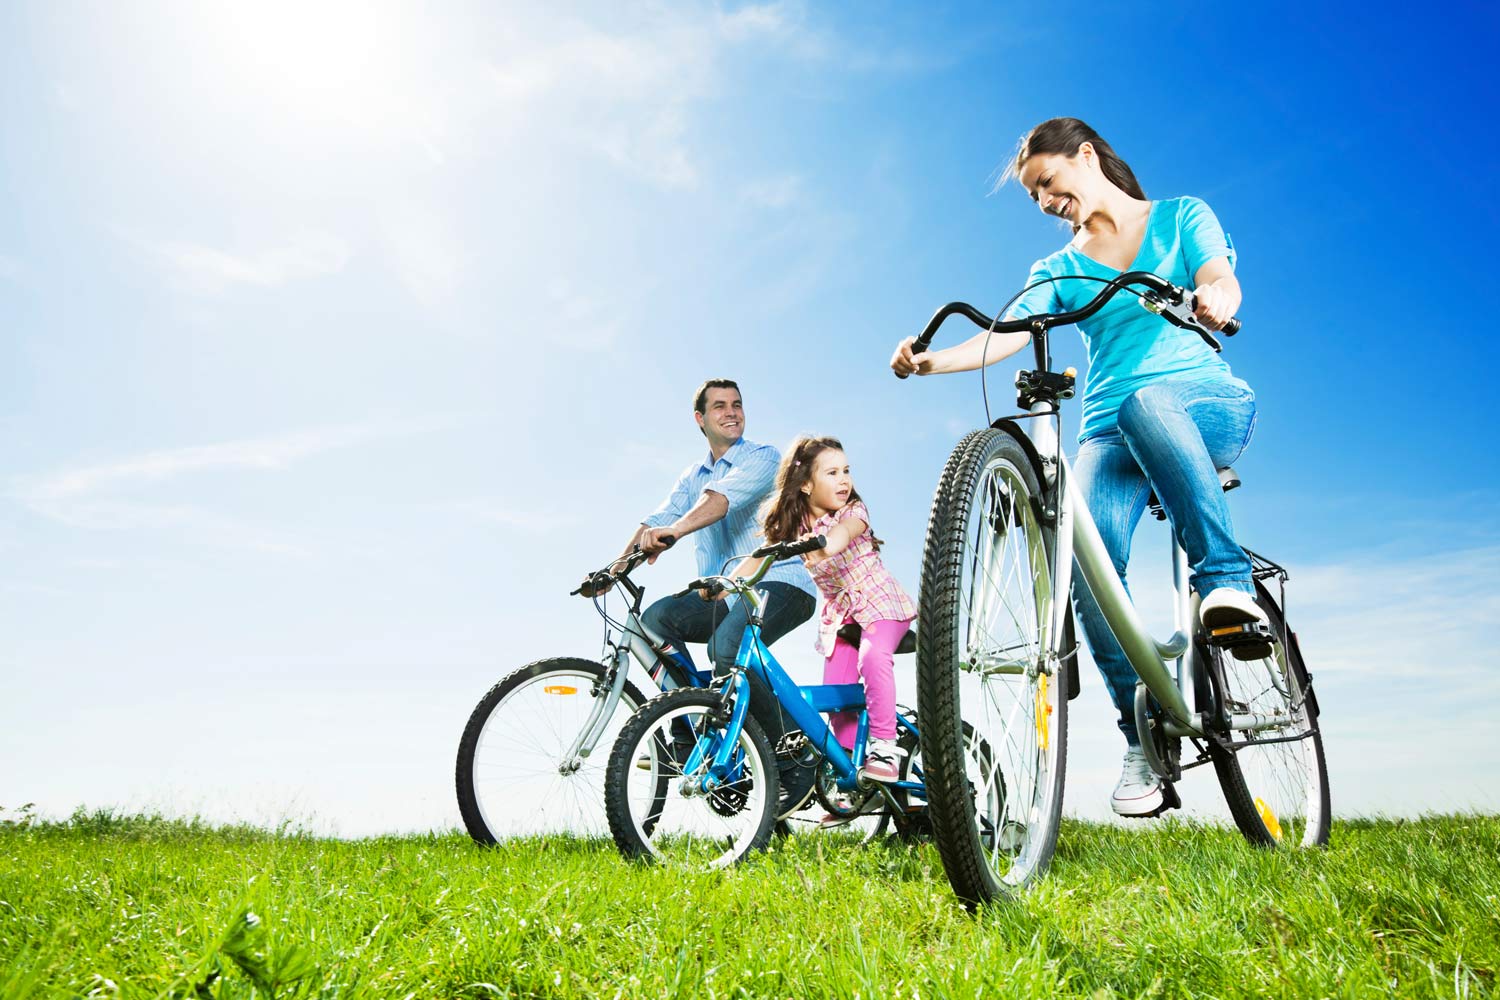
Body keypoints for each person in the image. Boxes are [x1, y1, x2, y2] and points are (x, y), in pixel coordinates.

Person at [889, 117, 1267, 818]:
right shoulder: (1058, 270)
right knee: (1083, 566)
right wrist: (928, 360)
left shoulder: (1180, 218)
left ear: (1085, 156)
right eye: (1033, 196)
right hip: (1110, 433)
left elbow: (1221, 276)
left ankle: (1226, 584)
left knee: (1150, 404)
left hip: (1201, 403)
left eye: (1048, 183)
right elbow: (1004, 338)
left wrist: (1217, 297)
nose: (1043, 202)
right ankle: (1142, 735)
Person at [593, 378, 819, 810]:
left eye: (737, 404)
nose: (732, 412)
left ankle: (795, 758)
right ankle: (692, 730)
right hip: (724, 594)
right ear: (701, 419)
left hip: (780, 582)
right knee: (654, 621)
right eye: (720, 406)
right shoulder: (692, 476)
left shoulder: (762, 457)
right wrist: (614, 569)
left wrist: (674, 532)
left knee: (728, 646)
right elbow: (658, 517)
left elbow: (719, 502)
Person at [754, 436, 916, 790]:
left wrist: (825, 543)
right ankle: (847, 777)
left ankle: (885, 748)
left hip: (879, 604)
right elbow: (759, 557)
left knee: (873, 659)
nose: (844, 480)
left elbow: (843, 534)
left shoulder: (853, 513)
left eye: (846, 471)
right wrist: (723, 583)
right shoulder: (795, 527)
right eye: (832, 472)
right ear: (807, 484)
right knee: (837, 693)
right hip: (841, 618)